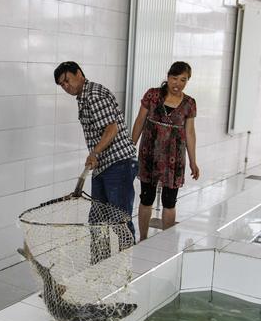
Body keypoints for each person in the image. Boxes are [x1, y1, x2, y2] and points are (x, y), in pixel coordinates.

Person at [54, 61, 138, 241]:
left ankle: (129, 264)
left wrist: (95, 153)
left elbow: (111, 129)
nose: (66, 86)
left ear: (79, 74)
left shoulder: (93, 95)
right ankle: (101, 263)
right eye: (62, 85)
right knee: (98, 220)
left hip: (118, 164)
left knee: (119, 220)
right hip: (104, 166)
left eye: (67, 80)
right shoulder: (84, 96)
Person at [131, 61, 199, 241]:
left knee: (169, 201)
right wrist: (131, 146)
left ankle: (165, 243)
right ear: (168, 77)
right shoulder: (152, 95)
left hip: (174, 158)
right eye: (174, 78)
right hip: (149, 154)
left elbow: (190, 133)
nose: (177, 83)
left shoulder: (189, 103)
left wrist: (193, 161)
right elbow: (139, 121)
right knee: (146, 198)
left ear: (188, 81)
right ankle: (143, 239)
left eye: (183, 80)